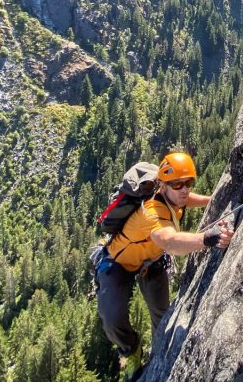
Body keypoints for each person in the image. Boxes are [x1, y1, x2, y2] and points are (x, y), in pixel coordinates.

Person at [95, 151, 233, 368]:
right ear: (163, 185)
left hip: (151, 262)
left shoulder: (174, 197)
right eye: (177, 184)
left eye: (188, 182)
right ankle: (131, 351)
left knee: (162, 316)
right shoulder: (151, 213)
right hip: (118, 263)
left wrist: (211, 201)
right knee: (112, 319)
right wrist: (206, 239)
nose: (185, 189)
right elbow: (169, 241)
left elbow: (186, 200)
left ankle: (159, 352)